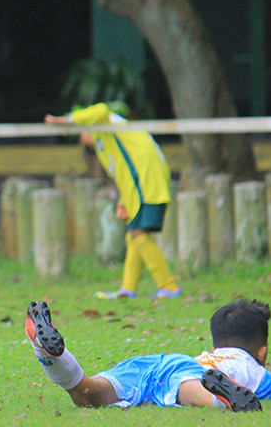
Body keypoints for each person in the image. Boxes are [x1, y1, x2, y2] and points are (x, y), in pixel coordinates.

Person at [24, 298, 271, 412]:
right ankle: (218, 398)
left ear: (216, 344)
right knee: (193, 389)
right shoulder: (258, 373)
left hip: (164, 362)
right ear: (261, 352)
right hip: (191, 376)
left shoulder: (209, 357)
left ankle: (41, 344)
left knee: (88, 393)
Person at [44, 102, 180, 300]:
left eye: (80, 132)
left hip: (147, 180)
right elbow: (124, 169)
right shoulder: (108, 138)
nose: (81, 139)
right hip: (142, 182)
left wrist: (66, 120)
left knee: (138, 233)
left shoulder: (105, 121)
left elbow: (101, 109)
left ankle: (169, 287)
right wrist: (125, 199)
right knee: (133, 234)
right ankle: (127, 290)